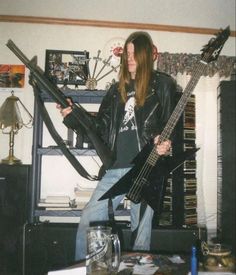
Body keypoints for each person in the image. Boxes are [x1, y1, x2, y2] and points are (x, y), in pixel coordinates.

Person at [57, 31, 177, 261]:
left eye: (134, 53)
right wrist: (72, 116)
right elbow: (98, 127)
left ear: (145, 55)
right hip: (115, 168)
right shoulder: (115, 91)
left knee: (140, 233)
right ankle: (90, 268)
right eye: (127, 54)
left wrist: (166, 144)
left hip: (146, 167)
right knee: (90, 219)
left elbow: (170, 126)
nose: (129, 58)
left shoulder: (162, 84)